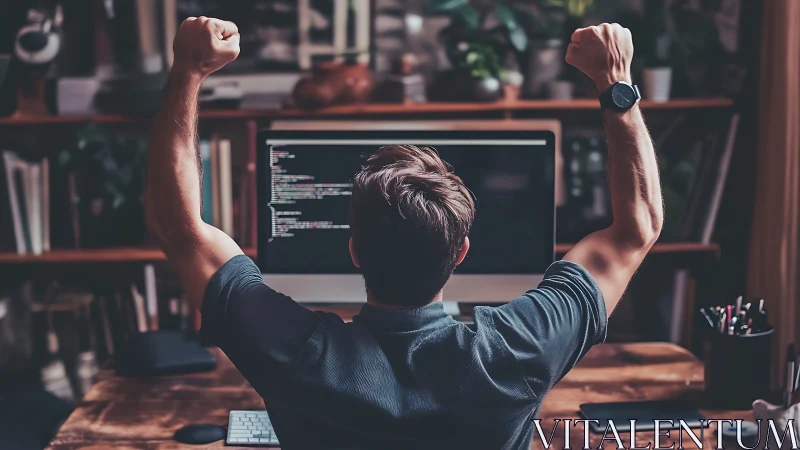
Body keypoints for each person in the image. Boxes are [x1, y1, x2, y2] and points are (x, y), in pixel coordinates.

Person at [145, 17, 663, 450]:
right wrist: (614, 82)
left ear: (354, 251)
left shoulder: (293, 351)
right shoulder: (516, 349)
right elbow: (636, 230)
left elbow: (180, 228)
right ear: (460, 253)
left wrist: (188, 73)